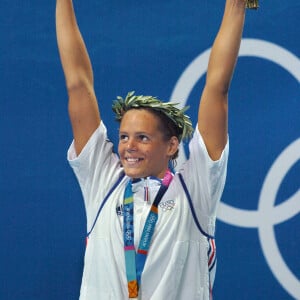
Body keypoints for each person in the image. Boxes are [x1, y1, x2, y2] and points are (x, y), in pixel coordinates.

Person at [56, 0, 249, 299]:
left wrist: (236, 6)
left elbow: (217, 87)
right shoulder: (102, 180)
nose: (128, 147)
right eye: (123, 137)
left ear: (172, 145)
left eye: (142, 138)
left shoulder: (195, 190)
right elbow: (77, 84)